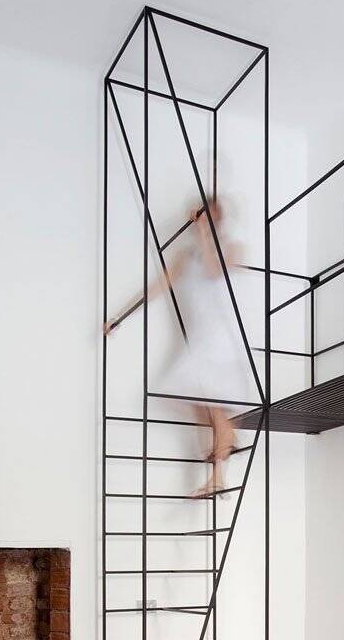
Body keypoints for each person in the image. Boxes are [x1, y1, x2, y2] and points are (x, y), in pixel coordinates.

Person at [104, 195, 247, 498]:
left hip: (222, 339)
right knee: (201, 406)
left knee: (212, 406)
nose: (204, 223)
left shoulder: (231, 249)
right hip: (201, 338)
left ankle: (220, 465)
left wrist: (205, 231)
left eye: (211, 218)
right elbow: (157, 288)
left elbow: (213, 270)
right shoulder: (186, 257)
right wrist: (119, 317)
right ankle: (225, 446)